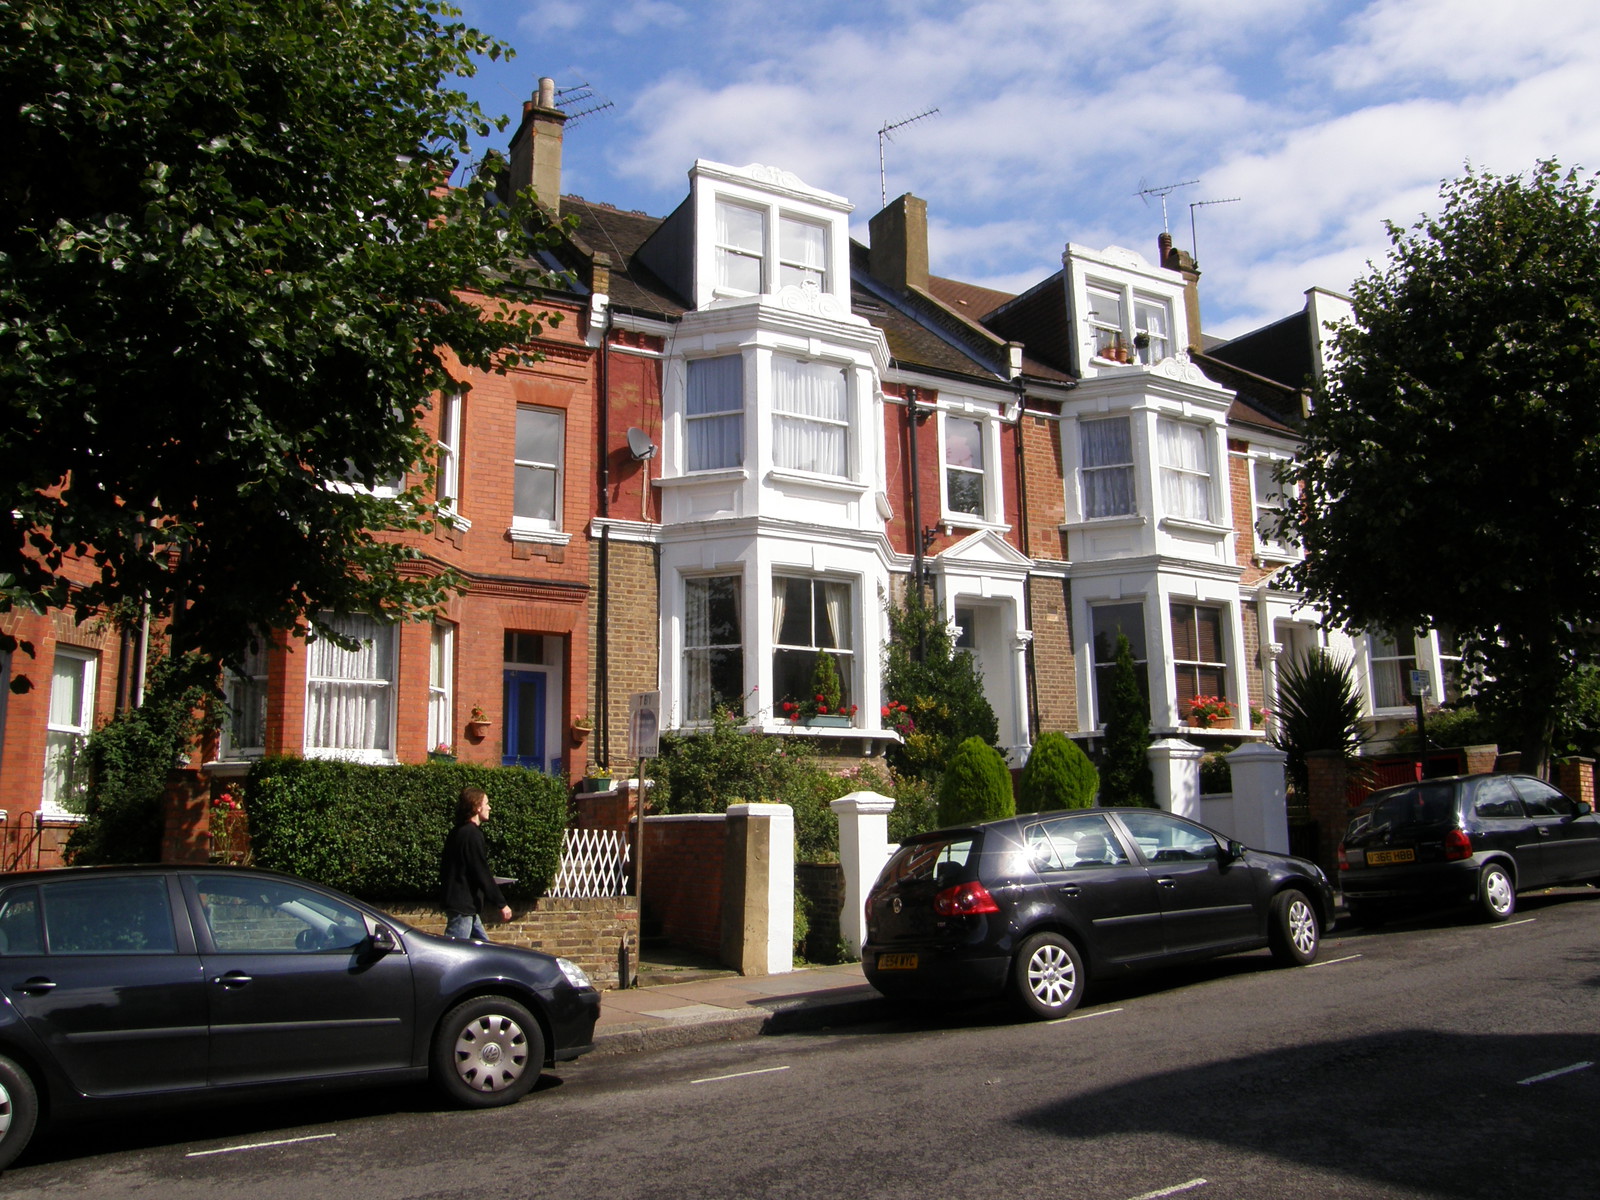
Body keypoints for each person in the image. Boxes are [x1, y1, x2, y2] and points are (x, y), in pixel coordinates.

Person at [439, 786, 512, 940]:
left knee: (484, 949)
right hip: (463, 907)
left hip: (466, 906)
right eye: (486, 803)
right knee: (454, 952)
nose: (489, 807)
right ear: (477, 807)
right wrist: (501, 904)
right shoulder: (471, 835)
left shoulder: (458, 832)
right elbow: (480, 870)